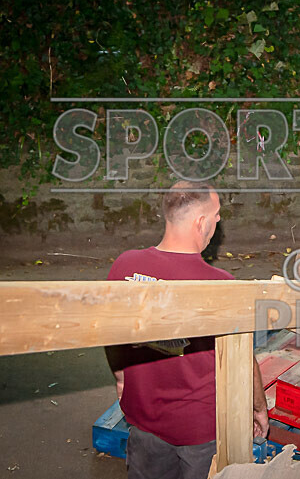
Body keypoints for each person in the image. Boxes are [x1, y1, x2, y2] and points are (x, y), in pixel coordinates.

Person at [104, 180, 269, 479]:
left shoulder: (124, 266)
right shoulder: (221, 285)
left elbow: (110, 335)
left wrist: (120, 377)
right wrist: (258, 407)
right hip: (201, 433)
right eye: (217, 214)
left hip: (144, 421)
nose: (219, 221)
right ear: (201, 222)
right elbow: (242, 360)